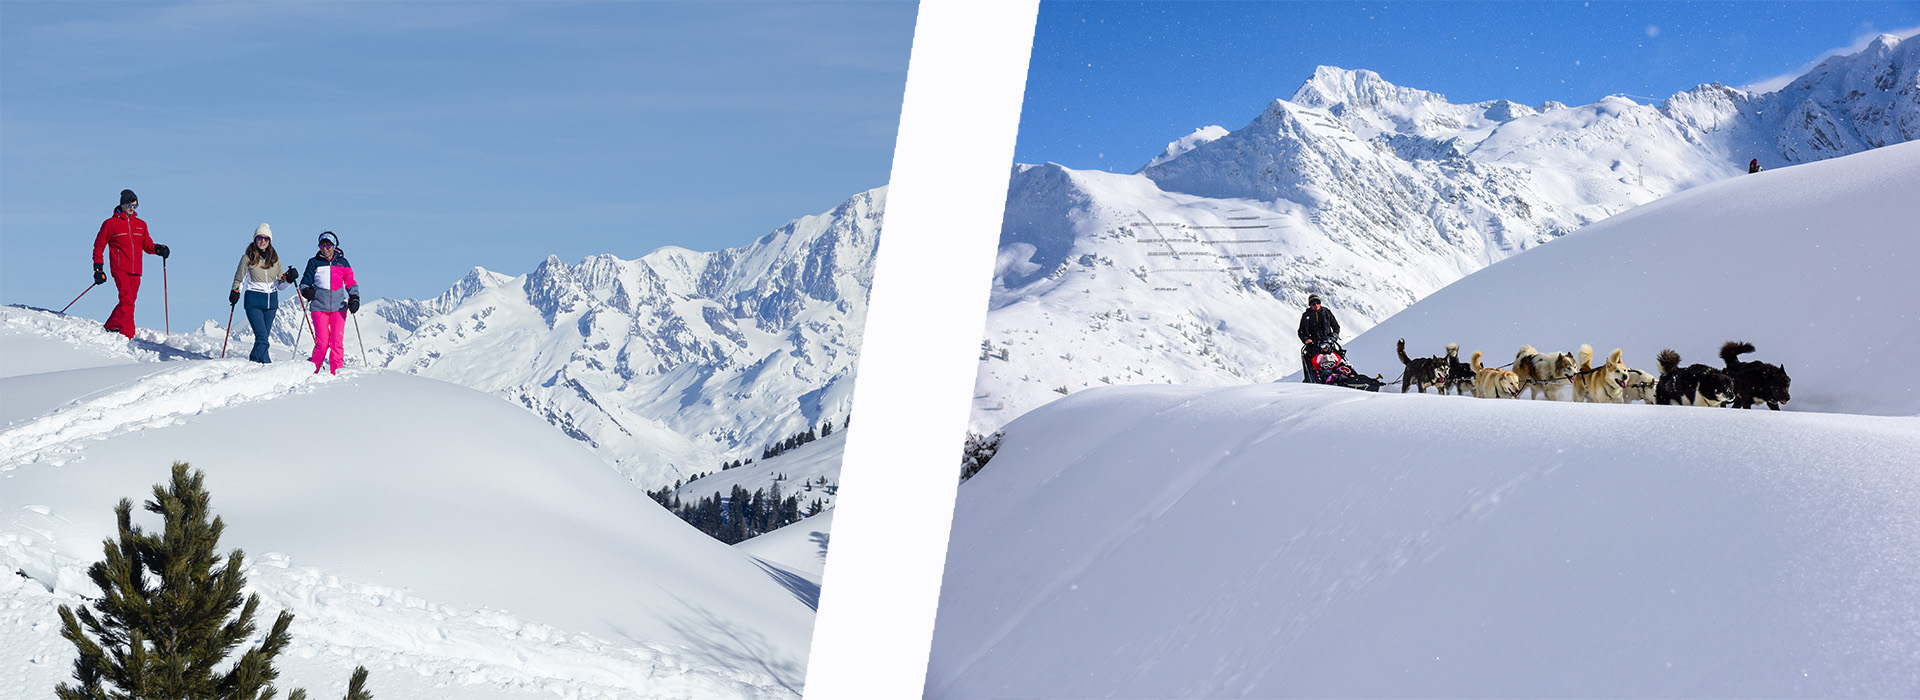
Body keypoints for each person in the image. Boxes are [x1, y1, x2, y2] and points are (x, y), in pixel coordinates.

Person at [91, 189, 169, 338]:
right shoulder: (110, 224)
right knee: (127, 300)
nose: (132, 208)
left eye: (135, 205)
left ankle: (111, 324)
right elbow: (99, 246)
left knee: (129, 301)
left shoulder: (141, 225)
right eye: (130, 205)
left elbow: (147, 246)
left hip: (136, 270)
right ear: (122, 204)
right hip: (119, 268)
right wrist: (98, 268)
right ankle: (128, 336)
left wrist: (158, 249)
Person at [229, 224, 300, 363]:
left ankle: (258, 363)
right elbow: (239, 278)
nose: (263, 241)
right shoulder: (247, 258)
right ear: (255, 239)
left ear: (270, 241)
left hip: (271, 303)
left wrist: (290, 279)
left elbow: (281, 285)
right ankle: (262, 363)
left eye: (266, 239)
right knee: (262, 338)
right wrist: (235, 291)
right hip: (254, 301)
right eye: (260, 238)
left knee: (264, 338)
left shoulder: (275, 260)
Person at [299, 231, 360, 375]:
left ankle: (337, 372)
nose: (325, 248)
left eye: (328, 245)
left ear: (334, 246)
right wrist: (307, 291)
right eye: (322, 245)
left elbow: (351, 283)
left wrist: (355, 298)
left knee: (337, 342)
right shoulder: (314, 262)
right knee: (322, 343)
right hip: (319, 307)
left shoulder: (343, 263)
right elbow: (304, 283)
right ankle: (312, 372)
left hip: (339, 307)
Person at [1297, 294, 1341, 379]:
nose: (1316, 305)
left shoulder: (1326, 312)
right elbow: (1301, 331)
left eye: (1318, 302)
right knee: (1314, 363)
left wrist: (1333, 337)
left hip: (1329, 343)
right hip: (1314, 345)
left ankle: (1341, 374)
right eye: (1313, 303)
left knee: (1337, 359)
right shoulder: (1306, 316)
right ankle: (1317, 379)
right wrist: (1306, 340)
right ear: (1310, 305)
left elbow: (1336, 327)